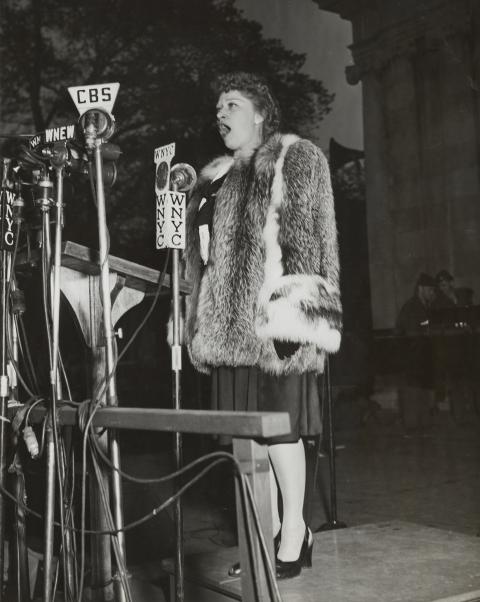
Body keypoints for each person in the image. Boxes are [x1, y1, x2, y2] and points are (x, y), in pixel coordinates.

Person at [182, 72, 342, 579]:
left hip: (277, 328)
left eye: (231, 104)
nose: (220, 114)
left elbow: (307, 237)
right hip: (231, 334)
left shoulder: (295, 157)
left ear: (260, 113)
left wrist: (295, 319)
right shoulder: (218, 179)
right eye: (217, 107)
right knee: (248, 443)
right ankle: (263, 540)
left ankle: (295, 532)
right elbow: (201, 261)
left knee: (282, 435)